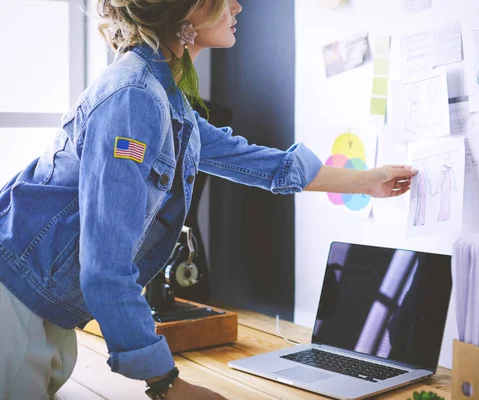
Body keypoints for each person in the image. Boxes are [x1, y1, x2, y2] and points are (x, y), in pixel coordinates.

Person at [0, 0, 417, 399]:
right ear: (187, 12)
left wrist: (370, 181)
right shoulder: (134, 97)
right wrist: (167, 384)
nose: (237, 7)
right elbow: (105, 267)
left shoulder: (166, 99)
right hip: (15, 309)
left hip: (42, 307)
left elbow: (259, 163)